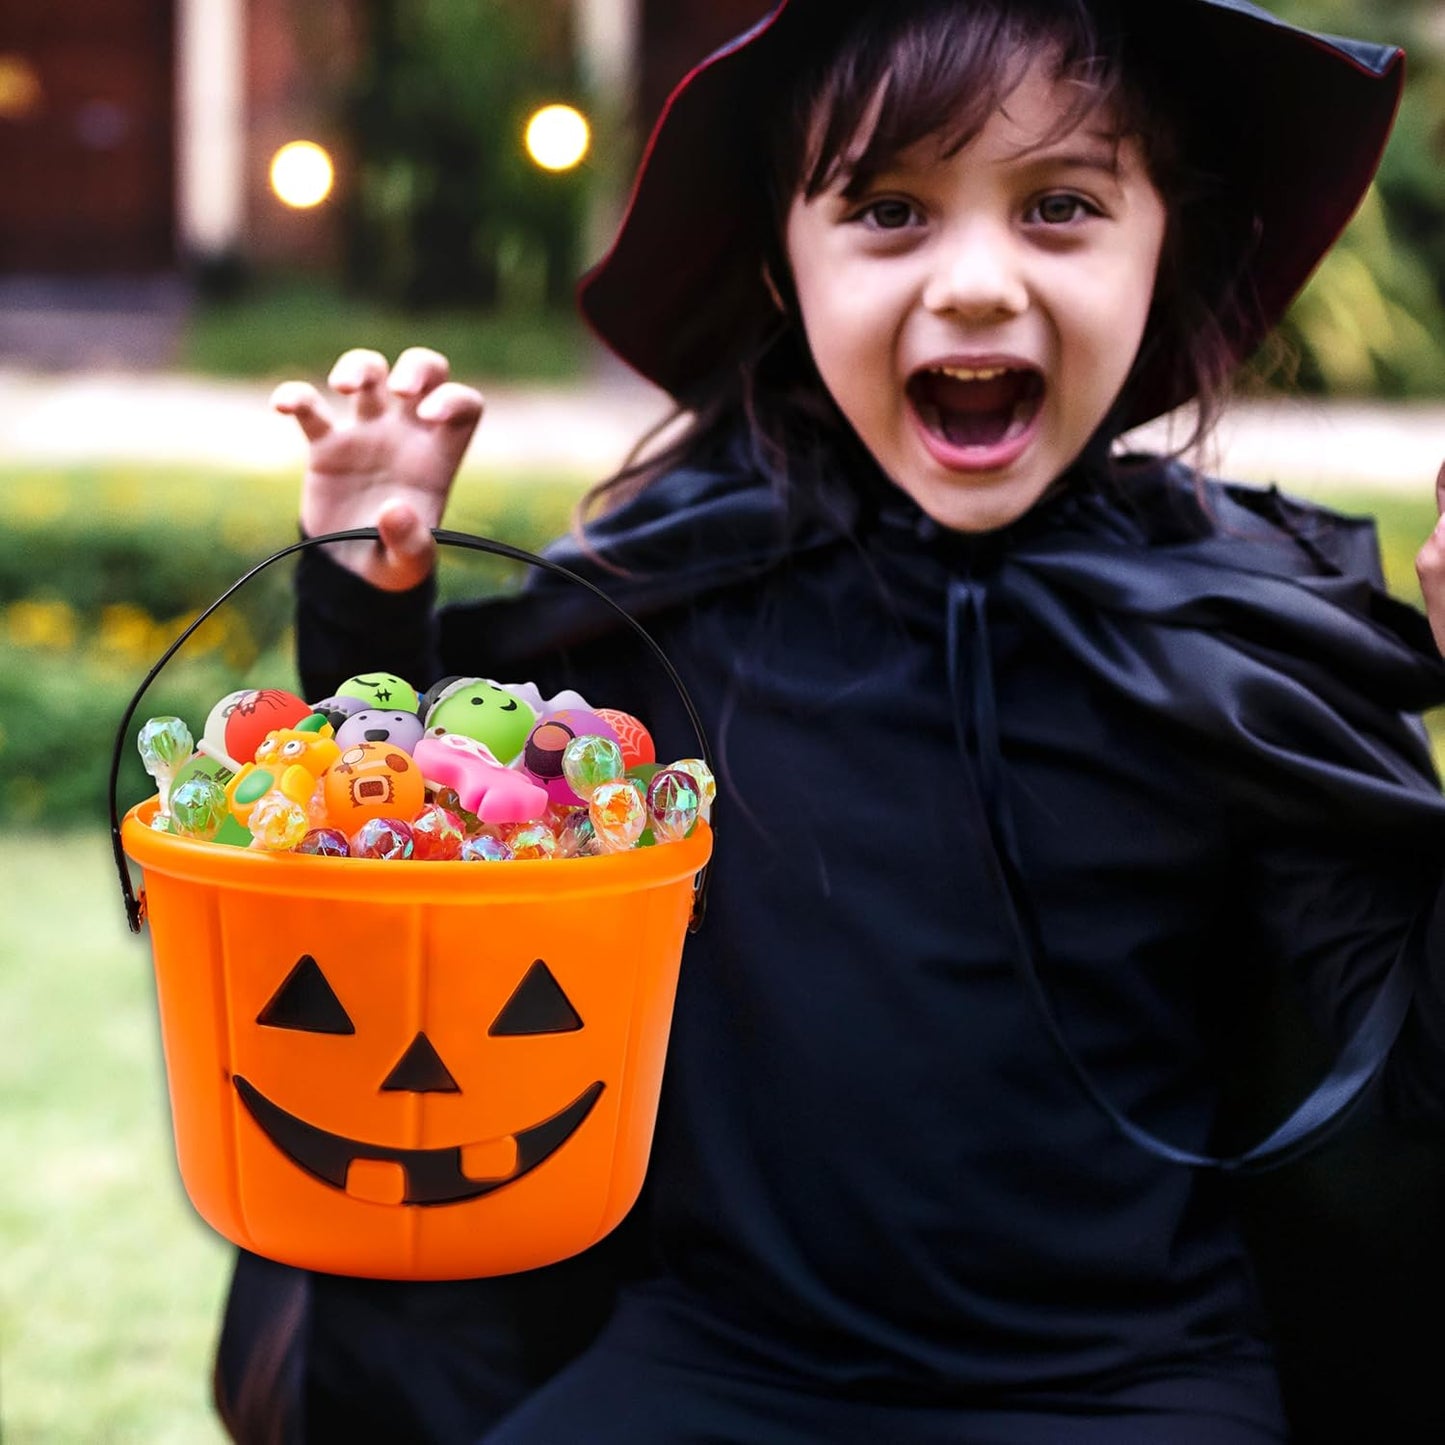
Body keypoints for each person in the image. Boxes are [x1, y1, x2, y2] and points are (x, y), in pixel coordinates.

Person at [214, 1, 1445, 1440]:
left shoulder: (1248, 641)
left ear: (1162, 239)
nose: (977, 281)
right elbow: (403, 877)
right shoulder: (671, 604)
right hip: (721, 1360)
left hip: (1123, 1385)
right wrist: (370, 599)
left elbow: (1410, 1074)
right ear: (779, 271)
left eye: (1059, 206)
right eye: (887, 209)